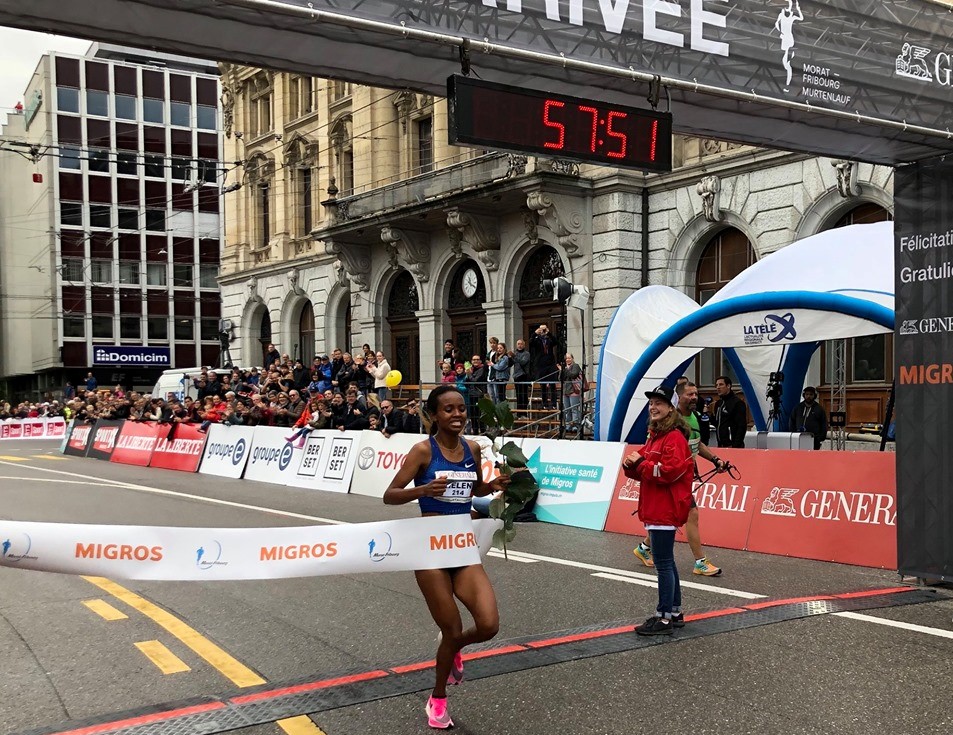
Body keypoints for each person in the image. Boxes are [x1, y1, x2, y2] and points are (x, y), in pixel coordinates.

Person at [383, 385, 509, 729]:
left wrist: (495, 485)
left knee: (488, 625)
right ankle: (437, 698)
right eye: (449, 410)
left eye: (462, 409)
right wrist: (422, 490)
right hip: (429, 550)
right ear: (434, 415)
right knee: (451, 626)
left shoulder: (472, 447)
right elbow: (389, 495)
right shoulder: (422, 451)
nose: (457, 415)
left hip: (462, 546)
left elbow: (474, 488)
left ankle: (452, 646)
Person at [622, 385, 694, 636]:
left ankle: (663, 618)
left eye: (659, 403)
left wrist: (640, 464)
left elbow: (670, 471)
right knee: (667, 561)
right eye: (651, 402)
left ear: (671, 408)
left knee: (663, 563)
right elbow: (643, 464)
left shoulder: (673, 437)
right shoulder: (656, 435)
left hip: (665, 507)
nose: (653, 407)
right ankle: (674, 612)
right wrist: (630, 465)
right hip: (657, 506)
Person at [633, 381, 723, 576]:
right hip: (672, 479)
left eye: (696, 393)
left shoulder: (695, 417)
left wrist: (716, 460)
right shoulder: (669, 421)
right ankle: (700, 562)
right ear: (678, 399)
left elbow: (697, 444)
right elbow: (653, 450)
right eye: (690, 394)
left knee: (673, 521)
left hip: (684, 477)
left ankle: (644, 547)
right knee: (690, 515)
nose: (694, 397)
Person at [529, 324, 559, 410]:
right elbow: (531, 343)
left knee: (552, 384)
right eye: (541, 330)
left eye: (544, 329)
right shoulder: (537, 340)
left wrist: (549, 333)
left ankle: (553, 403)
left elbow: (556, 342)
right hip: (541, 365)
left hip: (550, 364)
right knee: (543, 385)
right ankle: (545, 403)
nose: (543, 331)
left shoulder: (549, 339)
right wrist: (535, 334)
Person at [789, 385, 828, 450]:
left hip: (813, 439)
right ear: (804, 395)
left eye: (811, 394)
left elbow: (824, 424)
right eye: (807, 394)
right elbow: (792, 421)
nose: (808, 396)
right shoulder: (798, 408)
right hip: (798, 438)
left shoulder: (819, 409)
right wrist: (793, 434)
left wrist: (820, 438)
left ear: (814, 396)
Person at [713, 376, 747, 448]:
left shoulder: (737, 403)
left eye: (721, 384)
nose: (718, 387)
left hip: (732, 445)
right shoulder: (718, 403)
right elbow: (717, 423)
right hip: (721, 445)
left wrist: (735, 445)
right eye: (716, 385)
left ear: (728, 386)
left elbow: (742, 426)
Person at [558, 353, 583, 430]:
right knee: (567, 410)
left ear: (572, 358)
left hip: (574, 391)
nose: (568, 360)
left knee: (574, 409)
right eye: (566, 358)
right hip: (565, 391)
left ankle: (575, 425)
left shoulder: (576, 366)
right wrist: (562, 371)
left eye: (569, 358)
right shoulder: (564, 368)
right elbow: (560, 378)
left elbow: (573, 375)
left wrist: (565, 370)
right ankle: (568, 425)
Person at [511, 339, 531, 413]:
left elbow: (523, 362)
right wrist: (510, 357)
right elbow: (510, 364)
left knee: (523, 395)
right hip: (516, 376)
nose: (519, 345)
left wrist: (514, 356)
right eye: (518, 344)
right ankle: (519, 413)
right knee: (518, 395)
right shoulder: (515, 353)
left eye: (521, 344)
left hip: (523, 375)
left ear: (524, 345)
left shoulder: (526, 354)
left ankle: (524, 413)